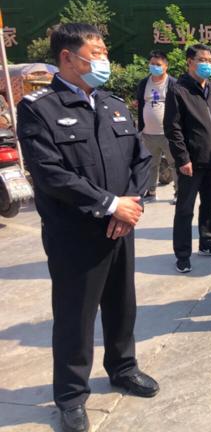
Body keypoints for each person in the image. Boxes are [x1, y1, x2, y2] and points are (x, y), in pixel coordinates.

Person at [16, 23, 159, 432]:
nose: (104, 60)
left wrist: (130, 204)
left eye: (104, 52)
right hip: (75, 234)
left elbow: (141, 158)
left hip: (122, 226)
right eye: (96, 53)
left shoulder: (112, 103)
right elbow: (50, 174)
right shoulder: (39, 108)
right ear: (68, 57)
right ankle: (71, 395)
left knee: (122, 304)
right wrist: (110, 205)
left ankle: (123, 367)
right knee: (75, 316)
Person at [164, 43, 211, 274]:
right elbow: (173, 129)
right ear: (190, 63)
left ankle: (207, 242)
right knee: (185, 209)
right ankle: (182, 254)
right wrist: (182, 159)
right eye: (202, 60)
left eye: (210, 60)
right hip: (191, 163)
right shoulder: (179, 91)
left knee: (210, 205)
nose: (207, 64)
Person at [136, 50, 178, 203]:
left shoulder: (173, 83)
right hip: (148, 133)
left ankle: (179, 193)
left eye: (158, 64)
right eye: (152, 64)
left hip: (168, 133)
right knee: (151, 164)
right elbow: (140, 103)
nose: (154, 67)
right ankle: (151, 192)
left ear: (166, 66)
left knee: (175, 164)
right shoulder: (144, 83)